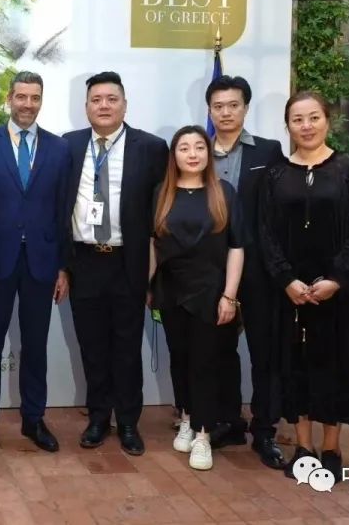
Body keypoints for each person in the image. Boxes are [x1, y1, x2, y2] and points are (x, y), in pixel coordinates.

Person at [258, 90, 349, 483]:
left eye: (313, 118)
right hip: (290, 292)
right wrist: (286, 278)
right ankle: (304, 446)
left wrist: (337, 279)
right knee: (294, 366)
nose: (306, 126)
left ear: (327, 121)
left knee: (333, 364)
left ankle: (331, 447)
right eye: (297, 120)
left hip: (336, 292)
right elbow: (265, 232)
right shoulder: (275, 174)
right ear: (287, 125)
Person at [64, 71, 168, 455]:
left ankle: (127, 422)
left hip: (129, 261)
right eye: (96, 100)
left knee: (126, 347)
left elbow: (161, 213)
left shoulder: (151, 148)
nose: (104, 106)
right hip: (85, 261)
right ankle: (97, 418)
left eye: (111, 99)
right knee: (92, 346)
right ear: (86, 106)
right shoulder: (69, 145)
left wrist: (155, 272)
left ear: (125, 104)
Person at [0, 71, 71, 456]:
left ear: (41, 100)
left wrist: (63, 266)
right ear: (9, 99)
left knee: (36, 345)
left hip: (42, 263)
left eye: (35, 97)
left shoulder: (60, 149)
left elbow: (63, 211)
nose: (28, 104)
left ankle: (33, 418)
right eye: (22, 96)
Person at [149, 126, 244, 471]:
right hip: (170, 289)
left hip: (211, 291)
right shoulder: (162, 193)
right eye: (184, 148)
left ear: (208, 153)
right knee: (180, 357)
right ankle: (187, 417)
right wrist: (148, 287)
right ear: (173, 155)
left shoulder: (224, 192)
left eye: (199, 147)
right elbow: (153, 244)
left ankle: (203, 434)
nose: (192, 154)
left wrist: (229, 296)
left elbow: (236, 247)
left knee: (205, 362)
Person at [205, 75, 287, 468]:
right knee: (219, 350)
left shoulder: (268, 151)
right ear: (209, 110)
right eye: (218, 106)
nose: (225, 112)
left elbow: (279, 210)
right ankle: (228, 421)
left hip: (258, 269)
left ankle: (265, 428)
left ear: (245, 108)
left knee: (263, 350)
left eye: (233, 105)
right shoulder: (197, 150)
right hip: (211, 268)